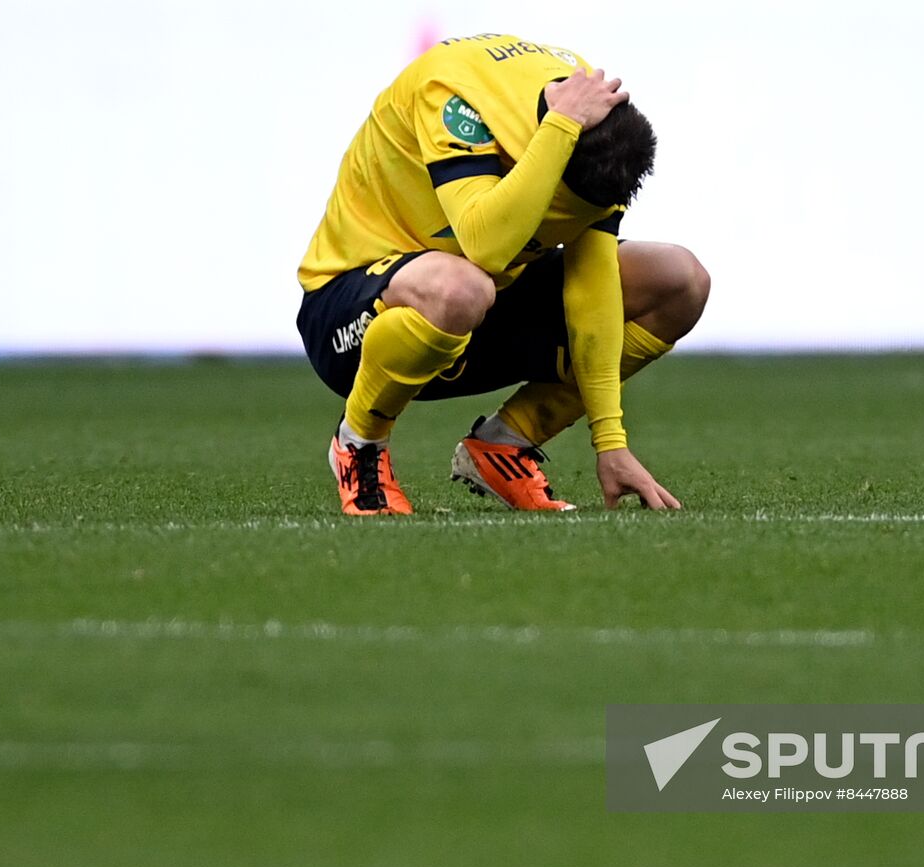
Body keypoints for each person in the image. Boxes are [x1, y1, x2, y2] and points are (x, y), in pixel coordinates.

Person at [296, 32, 710, 515]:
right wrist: (557, 131)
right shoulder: (455, 95)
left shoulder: (601, 123)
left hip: (486, 306)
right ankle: (360, 444)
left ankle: (505, 445)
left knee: (680, 280)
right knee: (461, 287)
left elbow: (592, 290)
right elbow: (485, 247)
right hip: (355, 312)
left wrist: (610, 440)